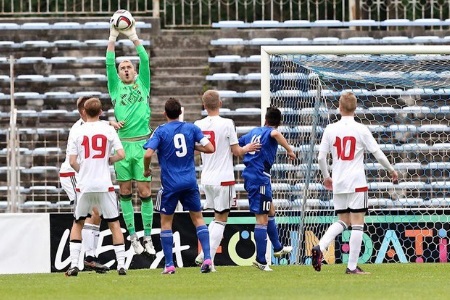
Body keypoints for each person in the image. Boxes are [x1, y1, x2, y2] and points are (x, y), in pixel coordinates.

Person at [312, 91, 399, 275]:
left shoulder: (330, 129)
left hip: (339, 182)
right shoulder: (361, 129)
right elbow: (377, 153)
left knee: (343, 220)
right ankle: (351, 267)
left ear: (340, 107)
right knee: (358, 223)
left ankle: (320, 246)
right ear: (356, 108)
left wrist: (327, 176)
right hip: (357, 183)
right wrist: (391, 170)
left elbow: (320, 158)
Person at [142, 97, 215, 274]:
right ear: (180, 113)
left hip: (170, 185)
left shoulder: (160, 131)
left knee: (166, 222)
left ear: (165, 113)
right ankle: (207, 258)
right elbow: (211, 148)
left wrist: (146, 170)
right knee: (198, 219)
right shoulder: (192, 128)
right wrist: (193, 148)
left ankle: (169, 265)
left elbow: (147, 154)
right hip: (189, 182)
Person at [193, 90, 260, 271]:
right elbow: (237, 151)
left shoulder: (197, 124)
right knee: (221, 218)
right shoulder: (227, 123)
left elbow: (196, 148)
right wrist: (249, 147)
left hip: (206, 178)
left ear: (204, 105)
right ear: (220, 103)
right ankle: (208, 259)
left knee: (215, 217)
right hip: (223, 178)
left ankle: (205, 256)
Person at [107, 19, 155, 256]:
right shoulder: (115, 89)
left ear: (135, 72)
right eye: (122, 67)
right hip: (123, 146)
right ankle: (133, 237)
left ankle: (148, 237)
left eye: (129, 66)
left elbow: (145, 59)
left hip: (142, 145)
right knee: (125, 192)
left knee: (145, 193)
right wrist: (113, 37)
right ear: (118, 74)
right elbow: (108, 62)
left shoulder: (143, 85)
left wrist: (134, 36)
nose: (126, 69)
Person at [65, 97, 127, 276]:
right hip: (104, 184)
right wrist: (109, 160)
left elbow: (72, 161)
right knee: (114, 223)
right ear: (101, 112)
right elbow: (121, 154)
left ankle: (74, 264)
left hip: (84, 185)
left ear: (84, 111)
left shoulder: (78, 131)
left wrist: (83, 170)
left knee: (78, 223)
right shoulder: (108, 129)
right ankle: (121, 265)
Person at [238, 107, 296, 271]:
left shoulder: (254, 131)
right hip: (258, 178)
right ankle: (261, 260)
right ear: (278, 123)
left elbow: (237, 144)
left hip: (257, 176)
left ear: (265, 119)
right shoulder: (271, 132)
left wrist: (245, 149)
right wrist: (289, 150)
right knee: (261, 219)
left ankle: (277, 248)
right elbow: (275, 134)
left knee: (270, 211)